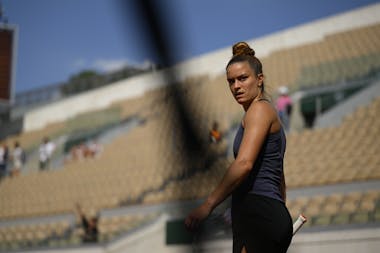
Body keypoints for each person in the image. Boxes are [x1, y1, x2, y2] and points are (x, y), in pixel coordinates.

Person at [185, 42, 292, 253]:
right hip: (261, 213)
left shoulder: (260, 110)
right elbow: (279, 177)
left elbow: (244, 163)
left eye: (243, 78)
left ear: (259, 79)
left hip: (259, 213)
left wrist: (207, 205)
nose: (236, 86)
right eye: (231, 81)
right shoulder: (258, 113)